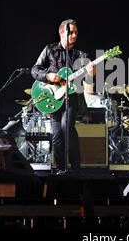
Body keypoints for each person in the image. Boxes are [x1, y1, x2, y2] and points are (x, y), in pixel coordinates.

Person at [31, 19, 95, 175]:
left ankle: (75, 167)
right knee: (57, 134)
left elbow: (88, 81)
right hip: (54, 98)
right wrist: (49, 76)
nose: (74, 35)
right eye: (71, 32)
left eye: (76, 33)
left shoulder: (81, 55)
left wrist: (92, 73)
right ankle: (60, 169)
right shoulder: (49, 50)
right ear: (61, 33)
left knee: (67, 128)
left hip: (71, 98)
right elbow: (34, 70)